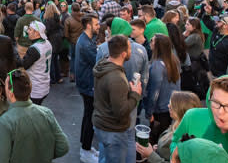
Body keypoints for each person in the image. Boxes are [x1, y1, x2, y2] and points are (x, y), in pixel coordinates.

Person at [0, 68, 69, 163]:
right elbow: (63, 147)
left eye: (5, 87)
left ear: (11, 94)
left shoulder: (5, 121)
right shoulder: (47, 113)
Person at [92, 35, 143, 163]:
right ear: (124, 53)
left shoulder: (103, 64)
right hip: (113, 131)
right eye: (130, 48)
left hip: (102, 123)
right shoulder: (117, 78)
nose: (132, 51)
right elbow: (120, 112)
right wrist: (135, 94)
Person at [134, 91, 202, 163]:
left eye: (172, 105)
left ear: (181, 110)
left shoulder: (187, 139)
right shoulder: (176, 124)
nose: (168, 106)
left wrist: (151, 155)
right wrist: (157, 150)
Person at [144, 34, 181, 143]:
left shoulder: (157, 66)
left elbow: (154, 92)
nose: (150, 42)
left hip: (160, 109)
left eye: (152, 41)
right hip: (171, 106)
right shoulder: (173, 60)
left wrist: (149, 112)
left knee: (156, 140)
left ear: (158, 46)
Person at [75, 13, 99, 163]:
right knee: (90, 117)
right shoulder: (85, 44)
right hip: (88, 84)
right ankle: (85, 150)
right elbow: (98, 62)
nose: (99, 26)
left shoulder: (86, 40)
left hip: (86, 83)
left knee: (88, 115)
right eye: (96, 24)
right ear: (89, 25)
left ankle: (86, 146)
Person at [21, 21, 53, 105]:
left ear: (37, 33)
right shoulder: (48, 43)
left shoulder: (35, 49)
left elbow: (24, 64)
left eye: (30, 29)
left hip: (36, 88)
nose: (27, 31)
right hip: (44, 83)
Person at [64, 3, 84, 82]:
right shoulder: (83, 17)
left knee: (73, 58)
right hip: (82, 41)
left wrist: (70, 39)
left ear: (71, 9)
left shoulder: (68, 20)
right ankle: (81, 75)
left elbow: (66, 34)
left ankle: (72, 75)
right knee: (81, 59)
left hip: (73, 41)